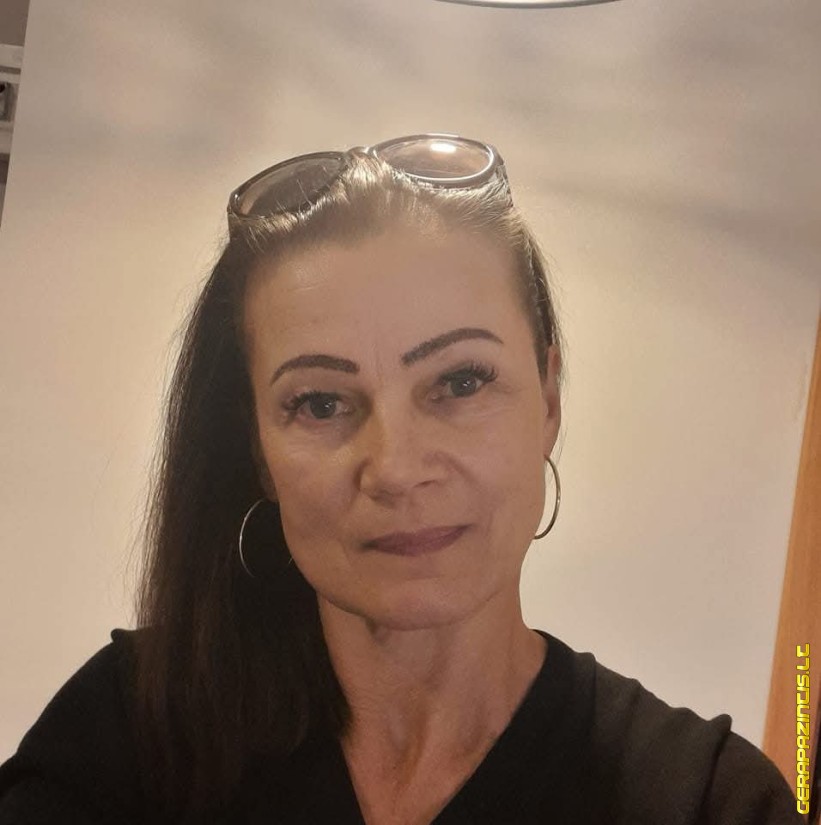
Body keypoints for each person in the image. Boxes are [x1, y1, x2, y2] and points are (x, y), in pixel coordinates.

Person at [0, 133, 803, 825]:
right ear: (256, 450)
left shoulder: (708, 801)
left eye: (460, 381)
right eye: (320, 402)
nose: (396, 467)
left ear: (548, 401)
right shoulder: (126, 734)